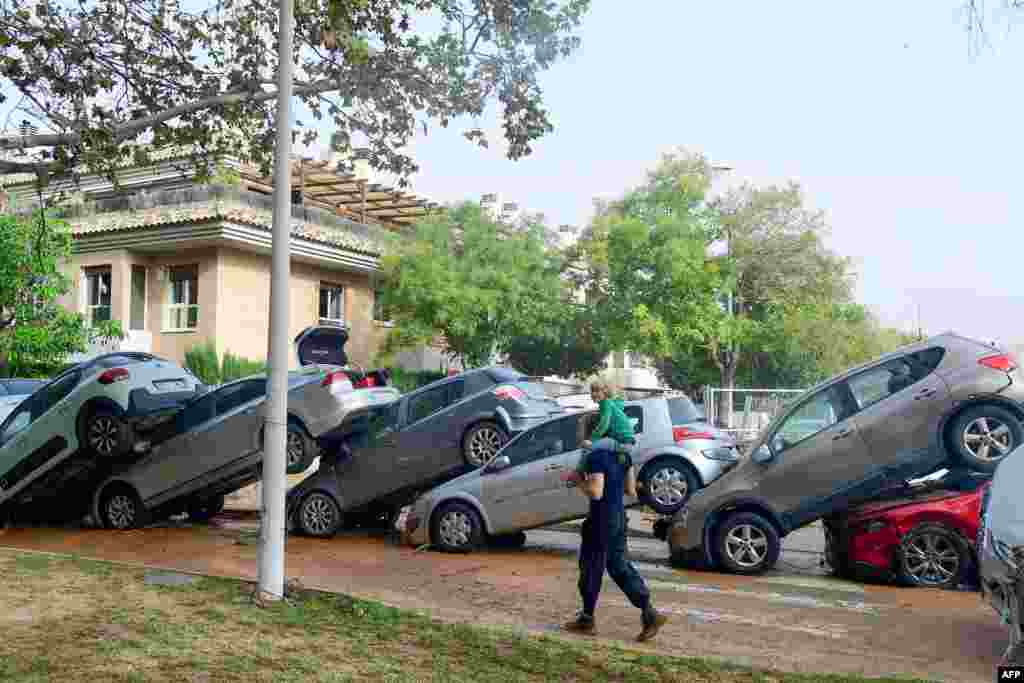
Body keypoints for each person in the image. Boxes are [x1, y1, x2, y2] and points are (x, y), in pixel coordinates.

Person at [560, 380, 667, 641]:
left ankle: (587, 619)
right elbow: (632, 490)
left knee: (591, 566)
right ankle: (649, 612)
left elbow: (596, 491)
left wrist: (578, 482)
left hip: (600, 519)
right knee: (619, 566)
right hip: (619, 517)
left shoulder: (597, 456)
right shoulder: (624, 456)